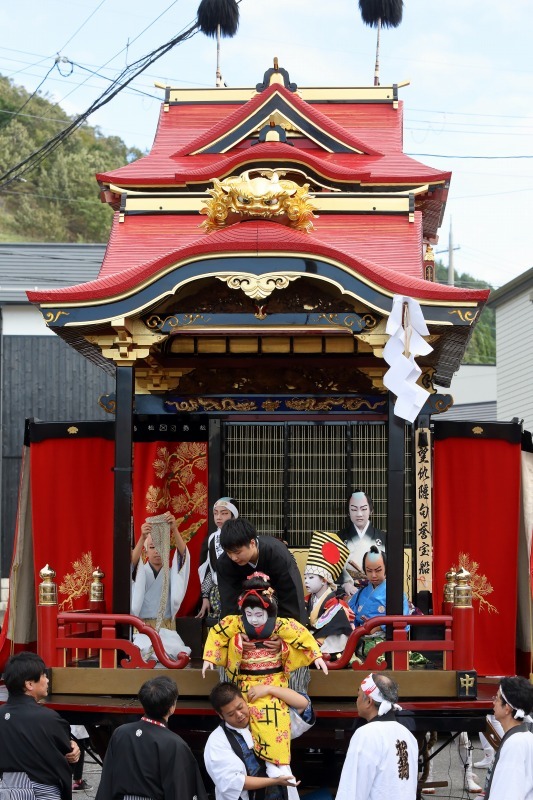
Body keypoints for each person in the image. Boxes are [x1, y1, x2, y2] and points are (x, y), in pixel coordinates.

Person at [202, 573, 327, 773]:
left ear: (269, 611)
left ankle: (278, 767)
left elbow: (301, 634)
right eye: (249, 614)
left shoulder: (280, 624)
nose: (253, 620)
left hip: (274, 682)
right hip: (246, 681)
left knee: (275, 717)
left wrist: (316, 656)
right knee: (240, 715)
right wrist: (210, 657)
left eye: (259, 615)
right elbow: (217, 633)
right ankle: (251, 771)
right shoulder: (236, 623)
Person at [96, 675, 208, 800]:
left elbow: (107, 780)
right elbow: (180, 790)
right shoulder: (175, 743)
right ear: (172, 707)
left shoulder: (120, 733)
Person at [205, 681, 314, 800]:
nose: (239, 715)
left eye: (240, 707)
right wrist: (274, 781)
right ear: (220, 715)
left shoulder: (266, 717)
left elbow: (303, 705)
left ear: (244, 698)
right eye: (231, 714)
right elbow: (234, 783)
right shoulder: (217, 741)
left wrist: (269, 689)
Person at [0, 652, 80, 800]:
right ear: (29, 684)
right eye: (44, 675)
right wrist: (73, 753)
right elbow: (66, 756)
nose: (47, 680)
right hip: (42, 792)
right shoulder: (48, 718)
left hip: (4, 790)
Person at [336, 672, 418, 800]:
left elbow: (352, 790)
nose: (356, 700)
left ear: (369, 701)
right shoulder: (407, 735)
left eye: (358, 695)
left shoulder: (366, 734)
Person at [216, 518, 307, 622]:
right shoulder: (224, 563)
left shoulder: (277, 553)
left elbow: (290, 596)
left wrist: (285, 629)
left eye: (237, 552)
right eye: (229, 552)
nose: (233, 558)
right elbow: (229, 602)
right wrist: (237, 629)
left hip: (279, 610)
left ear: (252, 543)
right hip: (248, 616)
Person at [131, 510, 191, 662]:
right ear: (146, 550)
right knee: (142, 650)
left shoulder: (172, 573)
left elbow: (183, 557)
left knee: (179, 651)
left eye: (160, 547)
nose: (157, 552)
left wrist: (174, 529)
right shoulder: (140, 572)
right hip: (143, 631)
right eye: (152, 547)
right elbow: (131, 563)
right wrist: (142, 537)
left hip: (167, 630)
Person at [348, 546, 409, 659]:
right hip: (360, 642)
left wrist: (378, 627)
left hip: (384, 644)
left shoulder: (395, 593)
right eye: (369, 571)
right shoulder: (360, 593)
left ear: (386, 568)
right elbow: (349, 613)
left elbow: (403, 620)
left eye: (378, 570)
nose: (374, 575)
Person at [304, 530, 354, 659]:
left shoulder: (338, 605)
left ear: (324, 580)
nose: (306, 581)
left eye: (311, 577)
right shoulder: (305, 601)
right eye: (305, 578)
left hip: (327, 645)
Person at [483, 676, 533, 800]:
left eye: (497, 698)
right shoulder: (526, 737)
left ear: (507, 708)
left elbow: (507, 794)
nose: (493, 702)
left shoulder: (514, 744)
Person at [197, 497, 239, 625]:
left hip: (238, 592)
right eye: (216, 513)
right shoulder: (211, 539)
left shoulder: (242, 537)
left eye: (224, 513)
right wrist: (205, 596)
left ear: (233, 515)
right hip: (217, 593)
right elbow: (209, 569)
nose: (218, 517)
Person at [339, 492, 386, 595]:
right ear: (348, 512)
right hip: (347, 592)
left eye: (364, 509)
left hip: (377, 591)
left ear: (371, 510)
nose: (359, 514)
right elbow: (333, 571)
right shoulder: (339, 538)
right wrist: (345, 584)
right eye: (354, 509)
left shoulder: (384, 538)